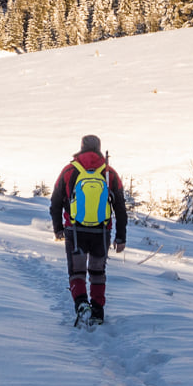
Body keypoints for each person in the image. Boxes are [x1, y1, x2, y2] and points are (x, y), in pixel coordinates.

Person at [49, 134, 127, 324]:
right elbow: (120, 208)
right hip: (102, 231)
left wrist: (58, 228)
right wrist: (120, 237)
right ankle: (98, 310)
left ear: (81, 147)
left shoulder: (69, 170)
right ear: (99, 148)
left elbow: (55, 202)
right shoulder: (109, 173)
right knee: (97, 272)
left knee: (77, 272)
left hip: (74, 230)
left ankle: (82, 305)